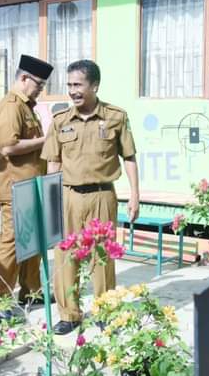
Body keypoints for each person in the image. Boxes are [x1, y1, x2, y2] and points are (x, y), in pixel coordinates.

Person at [41, 59, 140, 335]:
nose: (72, 91)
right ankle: (69, 314)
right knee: (65, 257)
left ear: (94, 86)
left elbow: (129, 157)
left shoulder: (115, 117)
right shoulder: (60, 121)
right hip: (68, 197)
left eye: (78, 85)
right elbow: (53, 164)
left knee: (102, 258)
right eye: (69, 85)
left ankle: (105, 310)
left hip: (102, 196)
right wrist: (51, 205)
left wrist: (135, 195)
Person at [0, 55, 53, 318]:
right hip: (15, 188)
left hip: (30, 186)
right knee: (12, 243)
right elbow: (8, 146)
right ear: (24, 78)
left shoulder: (27, 107)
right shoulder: (11, 106)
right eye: (38, 84)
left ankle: (31, 290)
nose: (40, 89)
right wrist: (45, 140)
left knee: (33, 240)